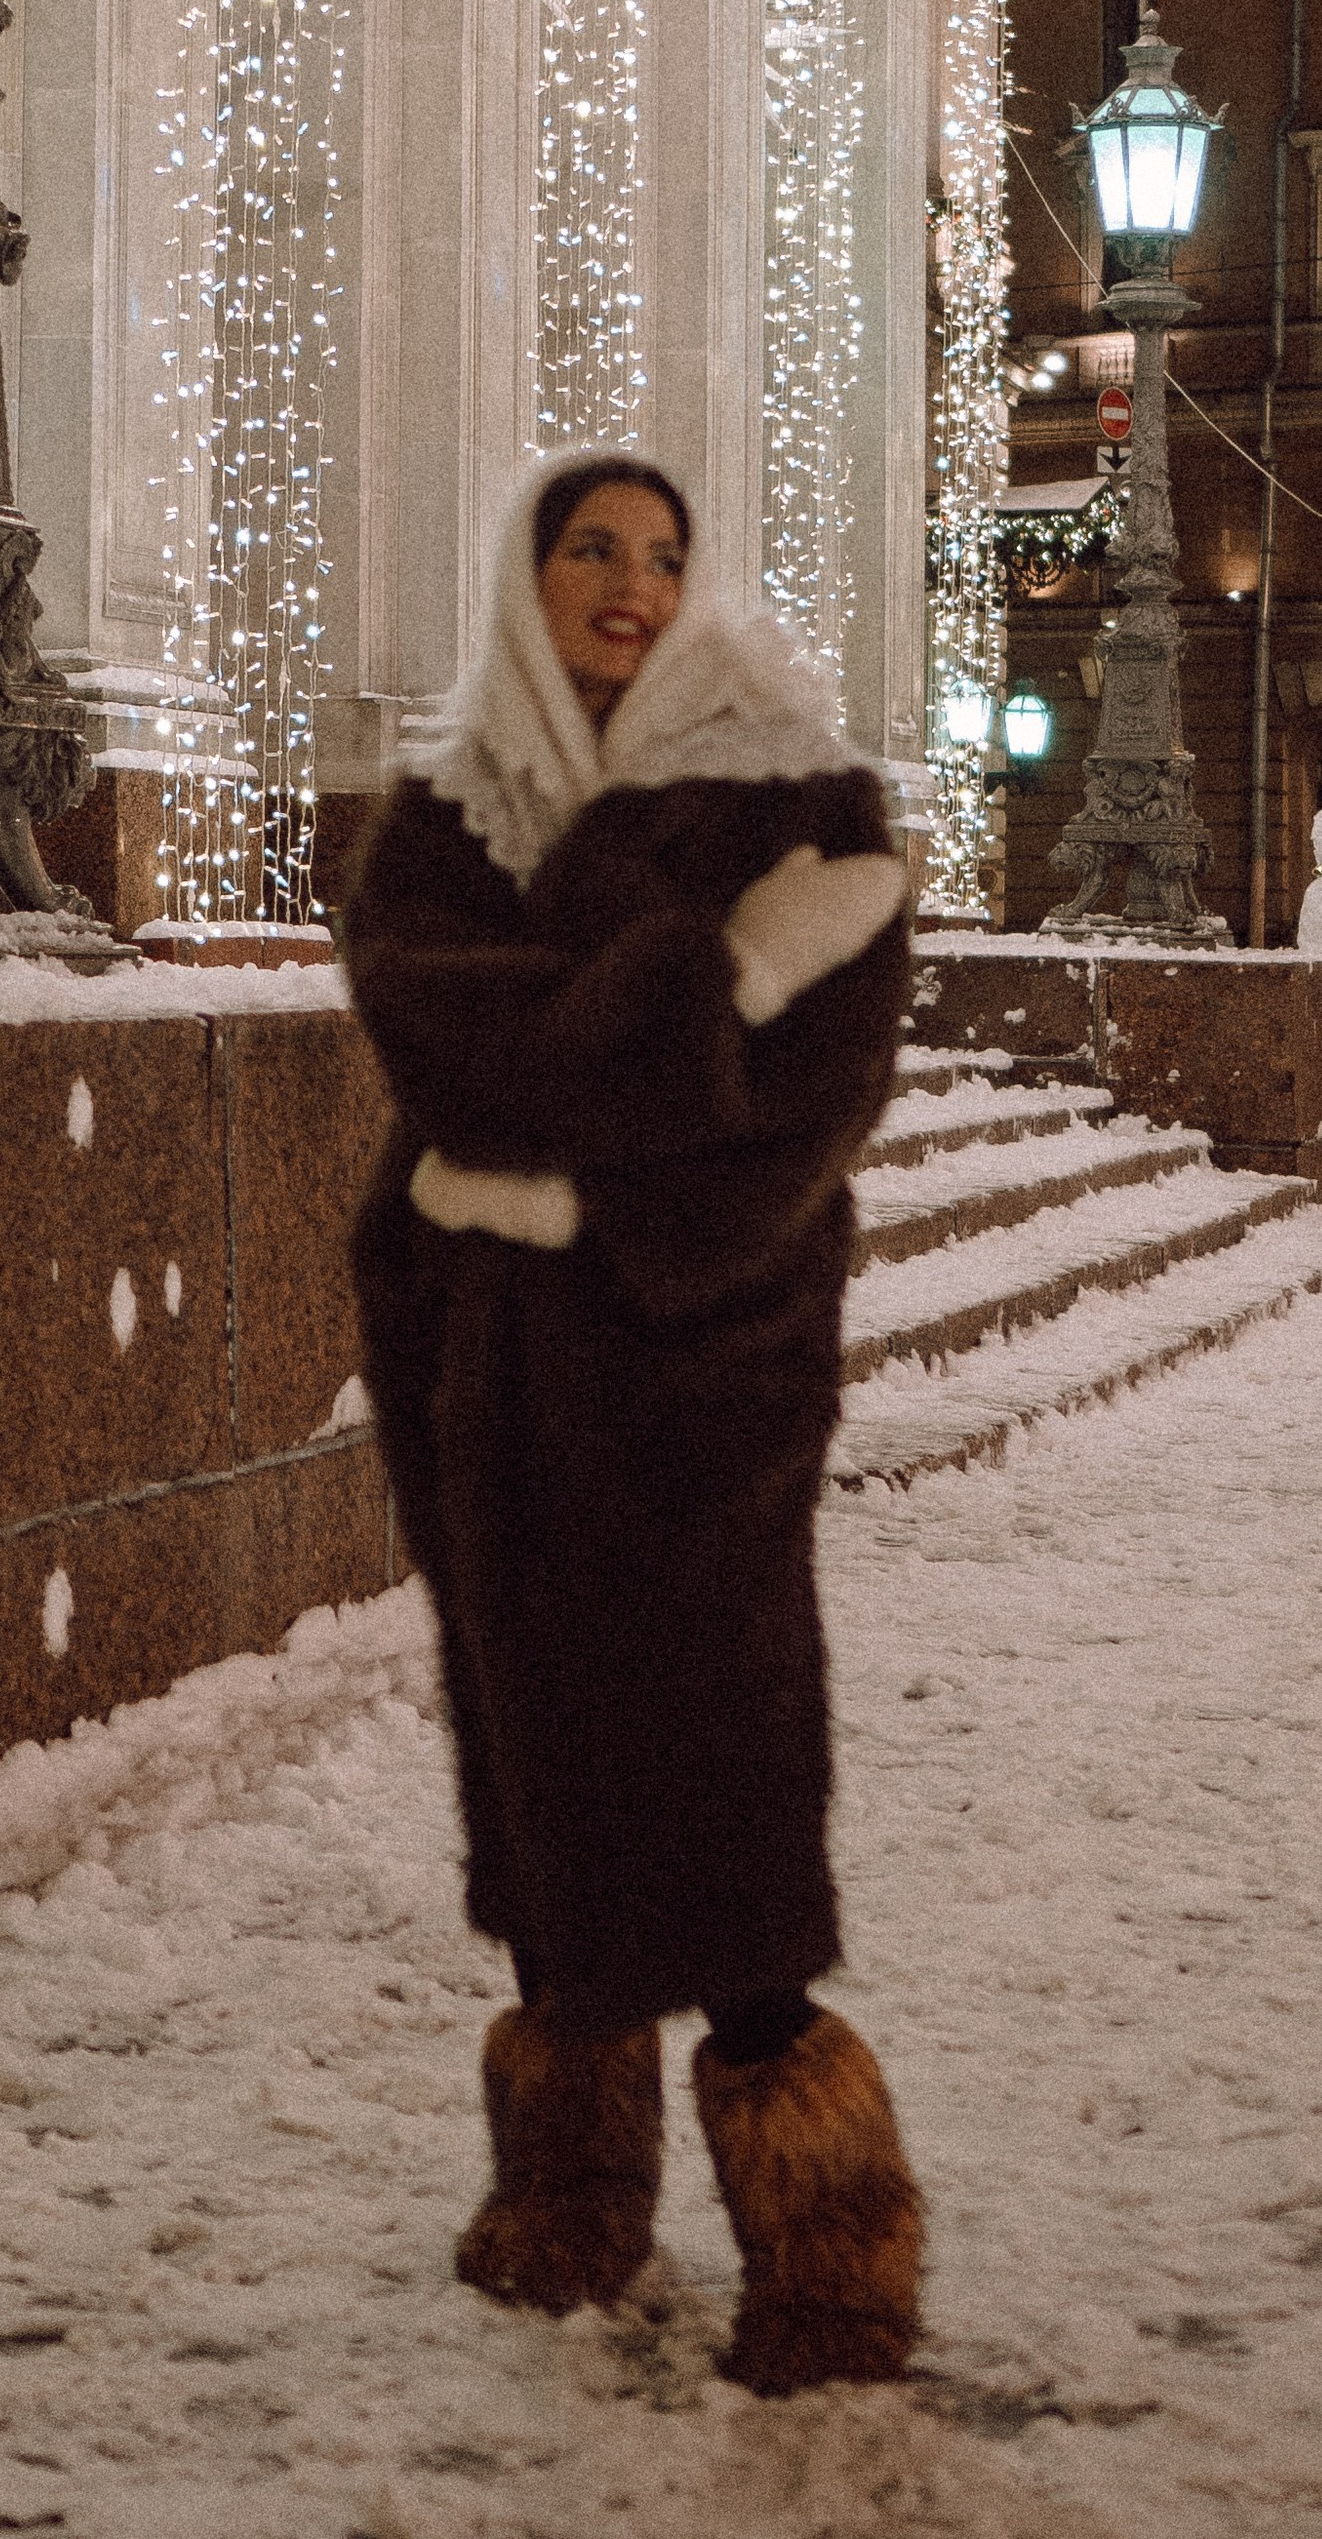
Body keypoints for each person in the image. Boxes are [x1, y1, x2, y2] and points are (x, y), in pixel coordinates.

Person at [337, 447, 921, 2394]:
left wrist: (565, 1158)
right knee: (537, 1780)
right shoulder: (445, 818)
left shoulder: (799, 793)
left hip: (701, 1370)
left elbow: (801, 1112)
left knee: (727, 1801)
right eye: (587, 547)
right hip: (490, 1382)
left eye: (662, 557)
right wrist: (705, 981)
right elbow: (442, 1043)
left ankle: (825, 2245)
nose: (627, 583)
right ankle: (567, 2194)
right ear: (525, 574)